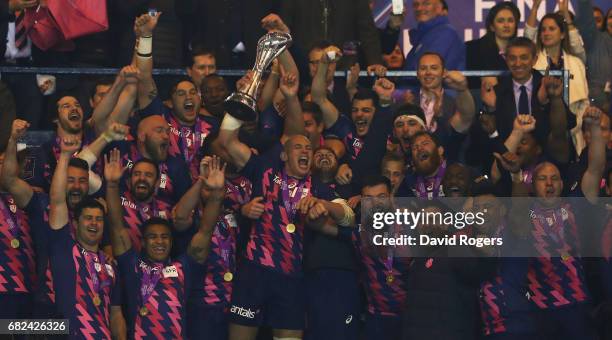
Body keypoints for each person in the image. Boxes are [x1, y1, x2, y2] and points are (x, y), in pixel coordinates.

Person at [105, 149, 222, 339]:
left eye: (164, 237)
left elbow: (205, 232)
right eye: (153, 237)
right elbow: (117, 226)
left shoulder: (184, 267)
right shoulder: (131, 265)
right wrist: (111, 185)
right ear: (142, 242)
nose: (159, 241)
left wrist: (216, 194)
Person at [47, 136, 125, 338]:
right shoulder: (64, 248)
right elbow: (57, 201)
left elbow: (116, 315)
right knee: (9, 327)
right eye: (88, 218)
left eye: (99, 219)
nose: (94, 223)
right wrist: (65, 155)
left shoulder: (111, 266)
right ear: (75, 223)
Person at [133, 13, 220, 181]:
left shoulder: (213, 125)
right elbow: (144, 76)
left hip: (202, 188)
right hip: (163, 187)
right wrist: (145, 36)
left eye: (193, 92)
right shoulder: (161, 116)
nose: (189, 97)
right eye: (181, 94)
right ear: (171, 102)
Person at [354, 175, 407, 340]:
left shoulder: (412, 228)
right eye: (369, 199)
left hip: (411, 319)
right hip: (376, 318)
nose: (375, 204)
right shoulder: (359, 233)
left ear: (391, 198)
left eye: (381, 197)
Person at [277, 0, 386, 70]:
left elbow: (367, 32)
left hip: (343, 68)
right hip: (305, 67)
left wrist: (375, 62)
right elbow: (285, 29)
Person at [465, 1, 520, 88]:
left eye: (510, 20)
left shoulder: (520, 50)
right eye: (500, 21)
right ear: (492, 26)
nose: (506, 25)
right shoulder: (473, 49)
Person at [404, 0, 465, 71]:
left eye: (426, 3)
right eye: (416, 5)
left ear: (440, 8)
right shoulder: (425, 36)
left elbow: (429, 70)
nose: (419, 8)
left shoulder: (445, 33)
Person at [575, 0, 612, 111]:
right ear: (606, 21)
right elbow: (586, 20)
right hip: (600, 108)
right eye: (611, 16)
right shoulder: (597, 39)